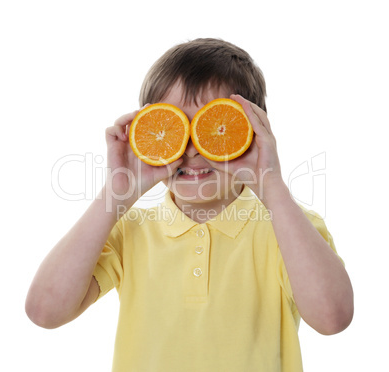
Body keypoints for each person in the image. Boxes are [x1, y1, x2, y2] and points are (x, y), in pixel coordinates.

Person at [25, 38, 354, 371]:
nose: (193, 148)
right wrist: (114, 196)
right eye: (174, 126)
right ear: (148, 131)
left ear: (253, 131)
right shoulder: (129, 231)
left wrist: (272, 186)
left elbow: (332, 318)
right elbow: (44, 311)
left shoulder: (289, 228)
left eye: (214, 128)